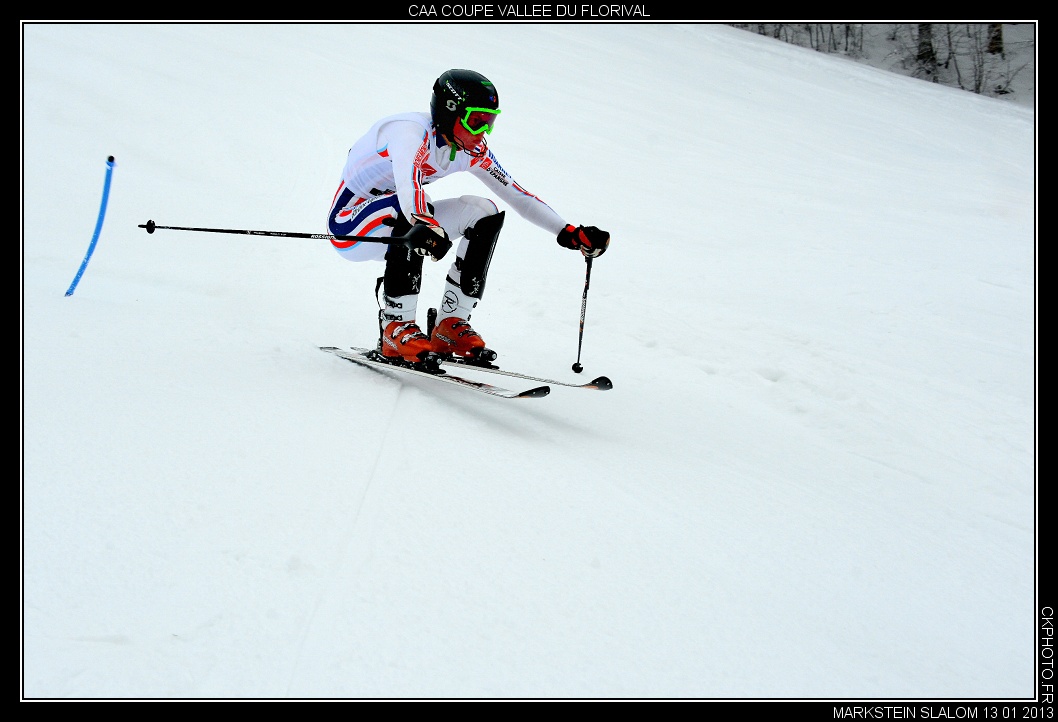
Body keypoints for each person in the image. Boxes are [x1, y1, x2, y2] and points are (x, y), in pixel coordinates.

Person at [326, 68, 610, 366]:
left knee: (484, 212)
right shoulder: (410, 133)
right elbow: (409, 189)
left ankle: (450, 324)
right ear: (449, 113)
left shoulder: (470, 149)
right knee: (416, 206)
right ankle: (396, 327)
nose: (483, 131)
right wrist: (425, 222)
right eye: (476, 121)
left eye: (489, 122)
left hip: (402, 226)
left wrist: (567, 232)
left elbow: (517, 195)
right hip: (351, 227)